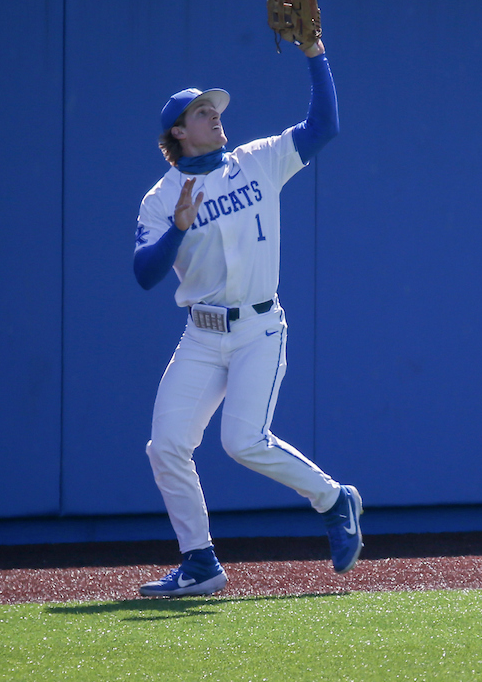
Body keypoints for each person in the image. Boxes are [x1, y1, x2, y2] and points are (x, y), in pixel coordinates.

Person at [132, 34, 361, 597]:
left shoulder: (257, 161)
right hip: (202, 336)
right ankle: (200, 562)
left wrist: (315, 54)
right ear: (178, 134)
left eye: (215, 110)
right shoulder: (161, 198)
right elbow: (144, 273)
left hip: (259, 327)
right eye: (202, 113)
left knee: (243, 441)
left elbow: (323, 127)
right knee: (166, 446)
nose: (215, 117)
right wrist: (178, 230)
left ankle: (335, 500)